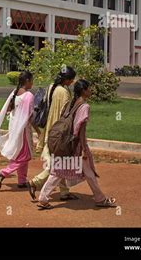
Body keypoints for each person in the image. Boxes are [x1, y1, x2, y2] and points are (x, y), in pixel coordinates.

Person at [37, 79, 116, 209]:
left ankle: (99, 198)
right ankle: (43, 198)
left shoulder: (70, 104)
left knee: (82, 172)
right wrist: (84, 148)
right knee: (58, 172)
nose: (90, 90)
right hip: (74, 146)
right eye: (89, 88)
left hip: (65, 143)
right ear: (84, 91)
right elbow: (80, 129)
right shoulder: (84, 106)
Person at [27, 66, 77, 201]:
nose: (72, 82)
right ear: (67, 79)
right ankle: (35, 182)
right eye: (71, 79)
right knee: (58, 164)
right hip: (59, 131)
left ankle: (64, 192)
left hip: (50, 128)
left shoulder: (52, 87)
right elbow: (65, 113)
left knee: (59, 161)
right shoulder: (64, 92)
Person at [0, 71, 35, 189]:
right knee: (25, 156)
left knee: (18, 155)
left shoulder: (14, 93)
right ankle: (3, 172)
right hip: (23, 130)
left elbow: (8, 110)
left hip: (15, 128)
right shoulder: (29, 96)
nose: (32, 83)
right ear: (27, 81)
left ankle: (22, 180)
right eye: (32, 80)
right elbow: (29, 116)